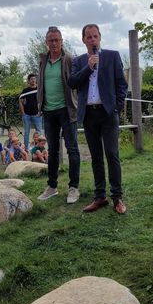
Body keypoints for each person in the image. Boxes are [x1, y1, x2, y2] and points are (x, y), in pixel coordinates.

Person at [68, 23, 128, 214]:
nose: (92, 40)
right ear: (83, 40)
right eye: (89, 37)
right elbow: (73, 82)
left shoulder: (112, 56)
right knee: (96, 157)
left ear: (100, 37)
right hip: (89, 114)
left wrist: (116, 107)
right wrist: (89, 67)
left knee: (112, 154)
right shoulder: (78, 61)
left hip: (108, 113)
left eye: (95, 36)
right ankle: (100, 196)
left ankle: (117, 197)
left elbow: (121, 84)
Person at [36, 26, 81, 204]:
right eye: (51, 40)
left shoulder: (68, 59)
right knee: (53, 150)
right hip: (48, 111)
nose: (54, 43)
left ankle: (73, 187)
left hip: (66, 110)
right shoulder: (43, 61)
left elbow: (77, 82)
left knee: (72, 149)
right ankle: (52, 186)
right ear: (46, 42)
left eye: (57, 40)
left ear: (62, 41)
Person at [19, 74, 43, 149]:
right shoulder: (25, 90)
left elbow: (43, 100)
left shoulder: (39, 89)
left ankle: (39, 148)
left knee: (39, 132)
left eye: (34, 79)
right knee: (26, 133)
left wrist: (41, 111)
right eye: (31, 79)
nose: (33, 80)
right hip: (27, 115)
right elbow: (20, 100)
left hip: (37, 115)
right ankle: (26, 148)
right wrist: (23, 113)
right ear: (29, 80)